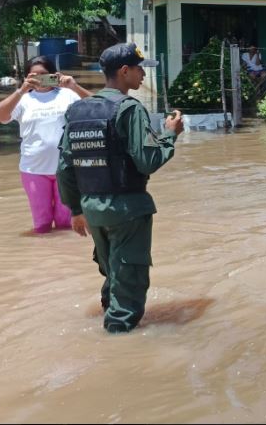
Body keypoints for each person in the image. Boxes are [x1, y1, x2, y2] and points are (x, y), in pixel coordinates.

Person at [57, 42, 184, 334]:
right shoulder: (129, 109)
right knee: (129, 288)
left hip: (93, 209)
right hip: (127, 210)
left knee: (114, 273)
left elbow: (64, 168)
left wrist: (76, 209)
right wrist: (170, 134)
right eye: (140, 69)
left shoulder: (77, 110)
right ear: (124, 71)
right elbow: (148, 161)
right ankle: (118, 346)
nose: (143, 75)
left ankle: (110, 317)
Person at [0, 56, 91, 234]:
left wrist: (74, 86)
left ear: (54, 75)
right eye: (34, 75)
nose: (39, 79)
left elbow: (100, 107)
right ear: (27, 77)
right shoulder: (23, 99)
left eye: (44, 75)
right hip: (33, 170)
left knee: (65, 225)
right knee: (42, 225)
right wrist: (21, 91)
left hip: (66, 171)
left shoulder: (68, 95)